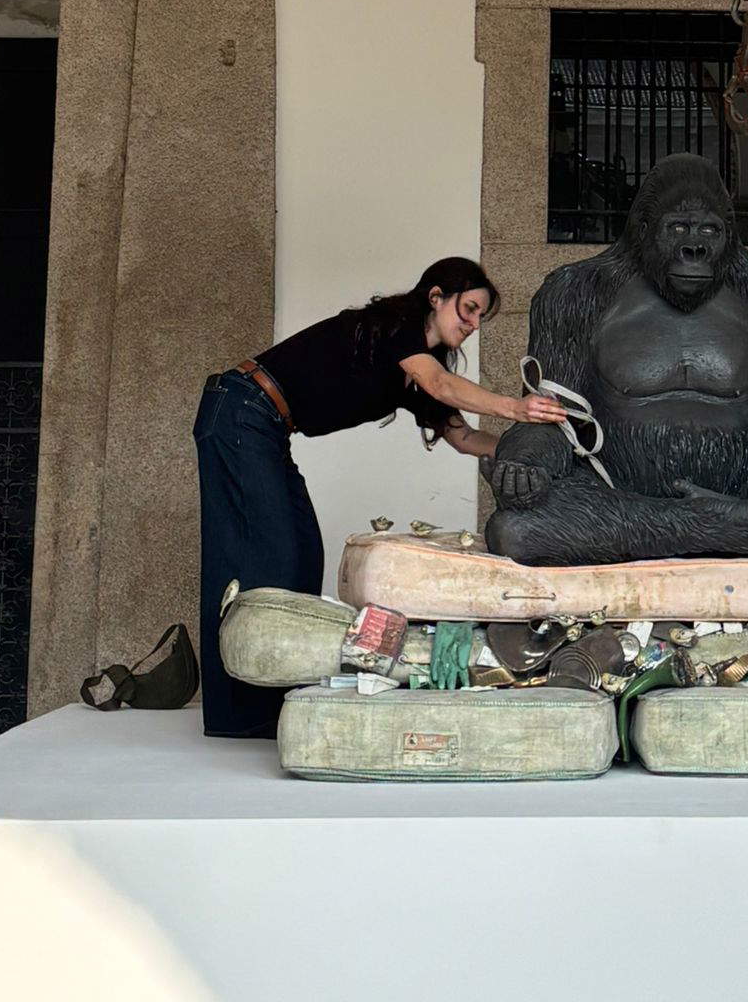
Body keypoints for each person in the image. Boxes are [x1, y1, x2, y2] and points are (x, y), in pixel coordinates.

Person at [193, 255, 566, 737]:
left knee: (303, 553)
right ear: (436, 297)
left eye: (479, 316)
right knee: (261, 559)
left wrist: (534, 454)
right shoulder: (396, 327)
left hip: (267, 428)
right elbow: (441, 383)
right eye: (468, 309)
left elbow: (465, 438)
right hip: (242, 409)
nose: (472, 324)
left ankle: (272, 698)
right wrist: (517, 408)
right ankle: (241, 714)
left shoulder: (418, 372)